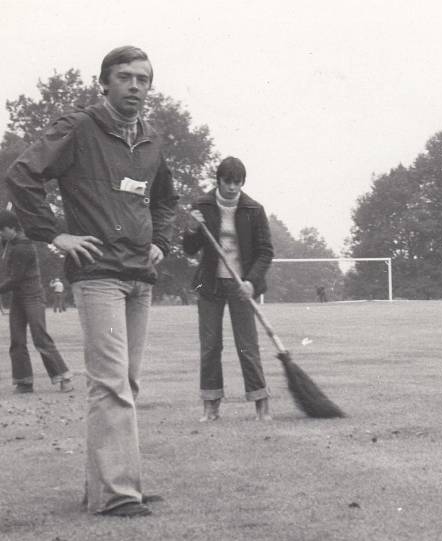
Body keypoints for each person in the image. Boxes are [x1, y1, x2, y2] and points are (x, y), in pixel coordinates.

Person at [5, 45, 177, 517]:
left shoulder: (152, 140)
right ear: (103, 82)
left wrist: (161, 238)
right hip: (98, 275)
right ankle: (117, 495)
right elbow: (22, 175)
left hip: (140, 274)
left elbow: (165, 198)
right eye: (125, 77)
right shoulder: (78, 127)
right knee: (110, 385)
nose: (135, 87)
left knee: (128, 383)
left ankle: (109, 485)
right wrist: (55, 235)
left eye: (143, 79)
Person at [182, 156, 274, 422]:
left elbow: (266, 252)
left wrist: (251, 282)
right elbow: (190, 249)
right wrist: (190, 230)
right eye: (228, 182)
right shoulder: (202, 205)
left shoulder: (254, 209)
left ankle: (260, 402)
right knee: (210, 345)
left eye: (238, 182)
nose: (233, 188)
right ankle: (211, 405)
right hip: (210, 284)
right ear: (218, 180)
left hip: (242, 286)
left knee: (248, 346)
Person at [0, 210, 73, 394]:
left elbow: (15, 278)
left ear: (11, 228)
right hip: (18, 298)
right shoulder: (10, 243)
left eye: (2, 230)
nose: (0, 234)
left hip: (33, 297)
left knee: (40, 338)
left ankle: (64, 377)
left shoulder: (24, 247)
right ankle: (24, 382)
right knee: (17, 340)